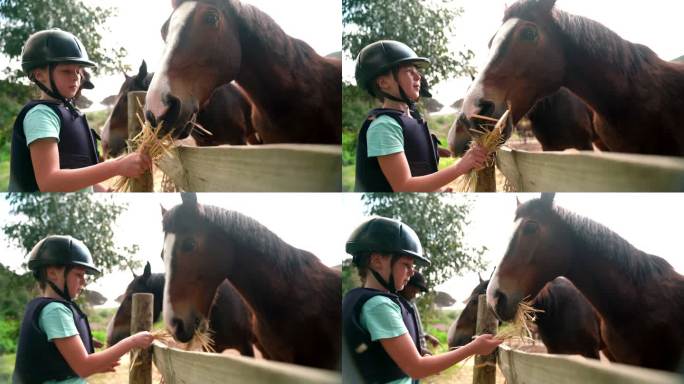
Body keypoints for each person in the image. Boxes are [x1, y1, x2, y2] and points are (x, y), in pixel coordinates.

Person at [342, 217, 502, 383]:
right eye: (406, 265)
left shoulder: (358, 298)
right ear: (377, 261)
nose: (412, 272)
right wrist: (474, 348)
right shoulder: (379, 306)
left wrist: (421, 354)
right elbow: (417, 368)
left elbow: (381, 354)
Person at [9, 29, 150, 192]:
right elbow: (50, 181)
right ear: (39, 75)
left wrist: (102, 192)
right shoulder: (41, 116)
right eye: (66, 71)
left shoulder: (72, 113)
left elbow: (79, 173)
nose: (76, 77)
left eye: (78, 71)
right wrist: (116, 166)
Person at [13, 235, 154, 384]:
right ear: (52, 273)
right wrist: (132, 341)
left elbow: (54, 355)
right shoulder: (55, 311)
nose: (84, 281)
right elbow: (84, 367)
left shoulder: (45, 307)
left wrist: (92, 355)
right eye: (79, 275)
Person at [353, 40, 488, 192]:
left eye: (416, 71)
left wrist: (437, 190)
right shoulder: (383, 126)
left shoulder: (411, 119)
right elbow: (404, 186)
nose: (418, 77)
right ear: (384, 83)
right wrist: (460, 167)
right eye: (409, 71)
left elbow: (417, 162)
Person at [398, 272, 440, 356]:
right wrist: (419, 350)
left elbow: (413, 328)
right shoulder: (397, 306)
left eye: (416, 293)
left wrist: (426, 336)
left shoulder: (412, 303)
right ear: (405, 285)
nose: (414, 295)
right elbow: (401, 336)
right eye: (413, 291)